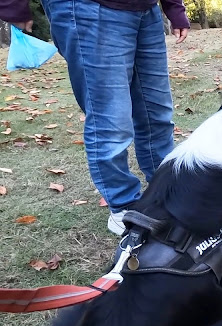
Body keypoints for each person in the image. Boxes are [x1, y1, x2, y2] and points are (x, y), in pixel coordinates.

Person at [0, 0, 189, 235]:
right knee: (110, 120)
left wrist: (174, 7)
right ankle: (124, 208)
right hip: (87, 8)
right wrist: (13, 6)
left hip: (144, 10)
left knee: (157, 114)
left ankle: (167, 193)